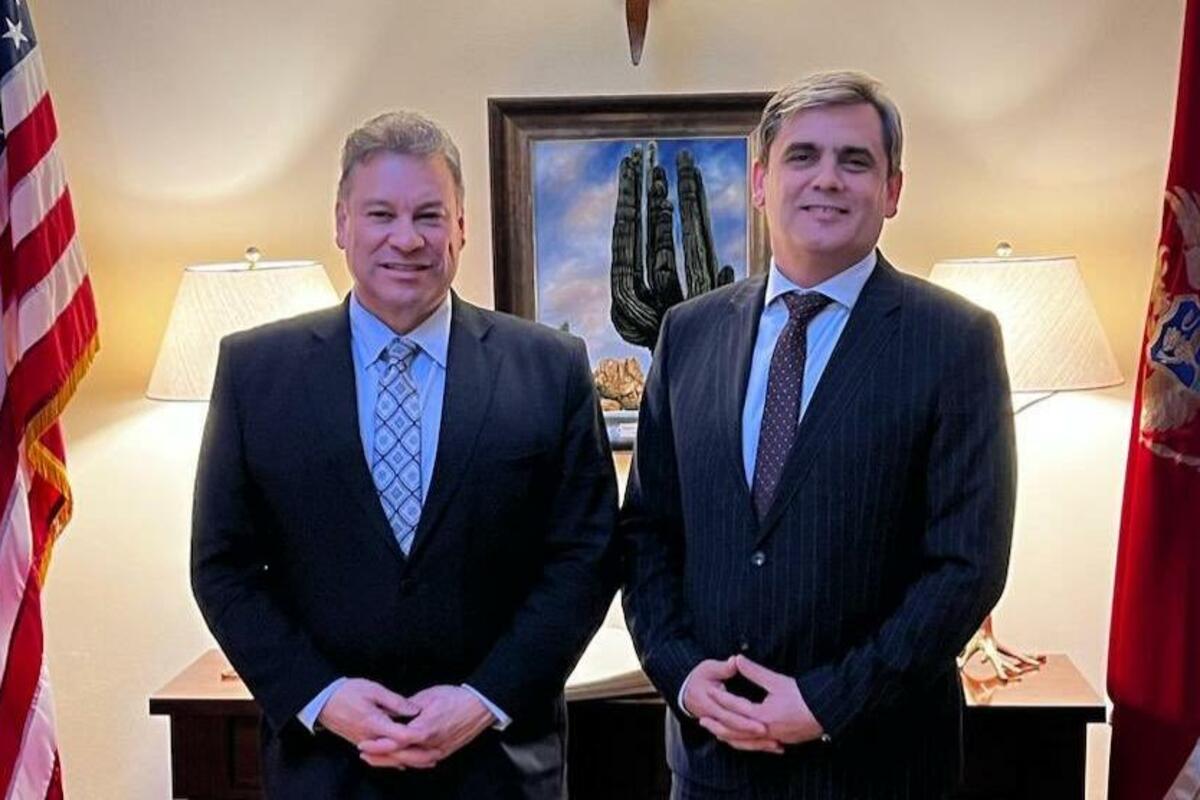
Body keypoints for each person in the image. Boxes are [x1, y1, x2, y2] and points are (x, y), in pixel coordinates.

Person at [191, 110, 618, 799]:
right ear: (342, 223)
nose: (407, 238)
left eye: (428, 215)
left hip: (499, 768)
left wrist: (482, 700)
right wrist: (323, 697)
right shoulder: (255, 372)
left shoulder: (552, 368)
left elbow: (585, 559)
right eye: (381, 214)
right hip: (325, 768)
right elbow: (223, 566)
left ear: (461, 226)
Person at [620, 70, 1017, 799]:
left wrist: (828, 702)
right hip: (711, 767)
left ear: (892, 190)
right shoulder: (687, 333)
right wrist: (681, 672)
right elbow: (648, 530)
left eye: (854, 160)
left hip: (879, 767)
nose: (826, 179)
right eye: (802, 156)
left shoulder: (955, 340)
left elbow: (966, 567)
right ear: (762, 181)